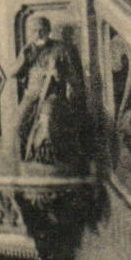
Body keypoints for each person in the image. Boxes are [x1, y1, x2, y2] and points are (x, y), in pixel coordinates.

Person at [14, 16, 87, 168]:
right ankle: (26, 160)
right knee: (19, 122)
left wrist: (58, 74)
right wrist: (22, 58)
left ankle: (46, 159)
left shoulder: (61, 49)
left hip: (52, 95)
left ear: (48, 31)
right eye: (34, 31)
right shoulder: (28, 50)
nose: (38, 34)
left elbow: (75, 78)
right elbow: (13, 73)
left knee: (47, 119)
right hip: (31, 95)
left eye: (42, 30)